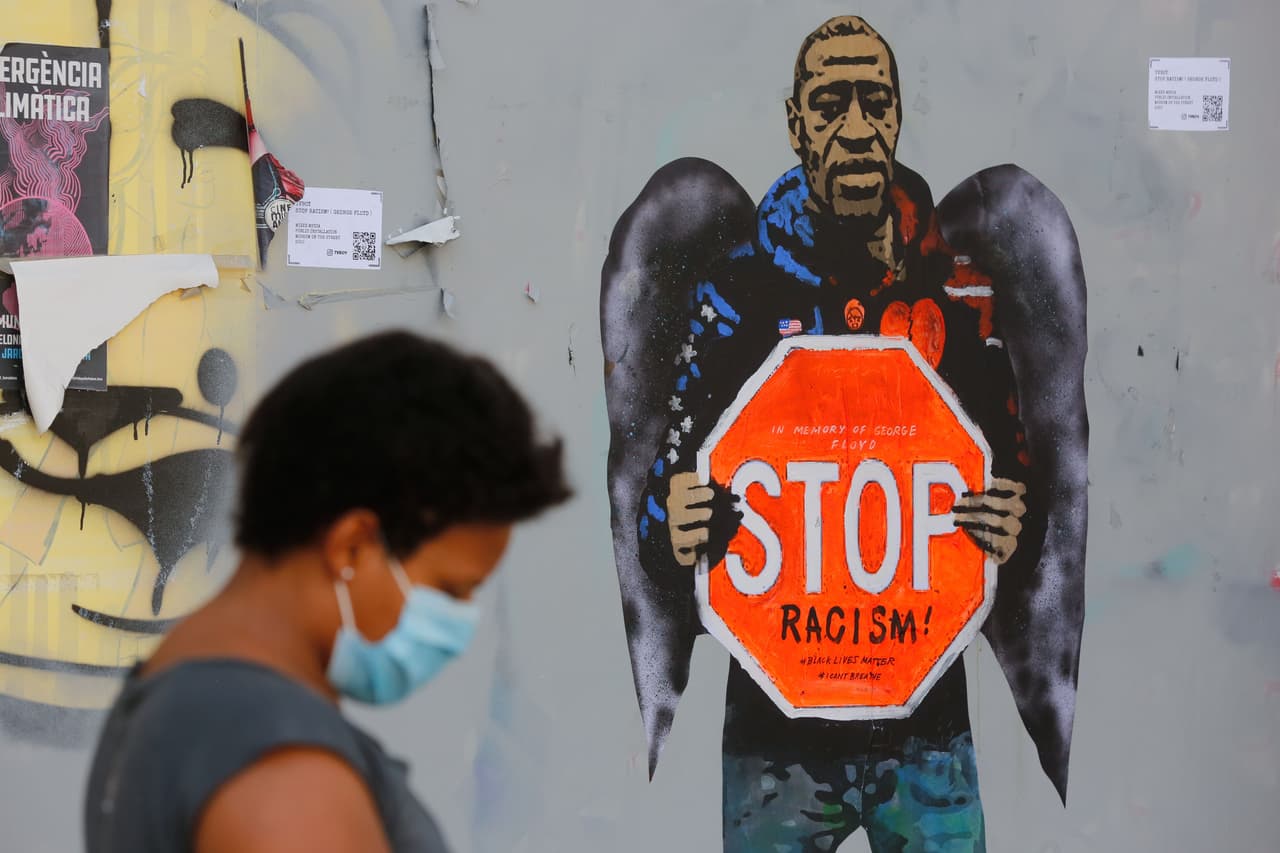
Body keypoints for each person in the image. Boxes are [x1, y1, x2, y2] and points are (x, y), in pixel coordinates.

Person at [603, 14, 1087, 853]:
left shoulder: (953, 292)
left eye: (875, 102)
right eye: (831, 105)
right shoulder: (738, 295)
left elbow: (1017, 486)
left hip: (929, 730)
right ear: (797, 124)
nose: (856, 128)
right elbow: (659, 516)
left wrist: (1016, 519)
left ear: (897, 115)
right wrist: (672, 522)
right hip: (775, 742)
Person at [83, 330, 570, 853]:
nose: (461, 627)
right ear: (352, 546)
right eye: (451, 591)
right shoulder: (285, 780)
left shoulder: (178, 692)